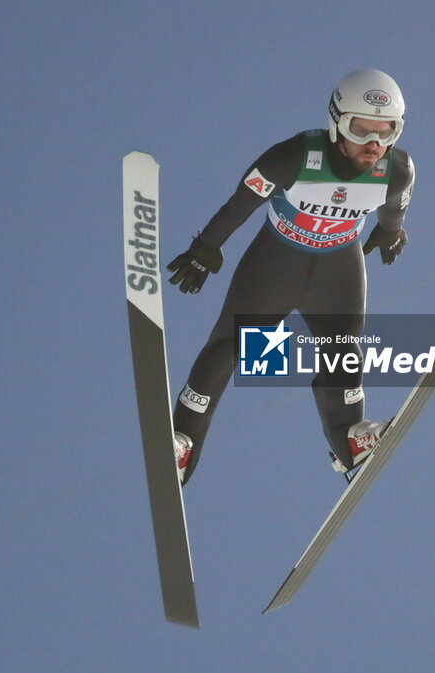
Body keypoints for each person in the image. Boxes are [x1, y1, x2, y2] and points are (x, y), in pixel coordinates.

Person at [166, 68, 415, 485]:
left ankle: (349, 440)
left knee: (343, 350)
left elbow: (395, 209)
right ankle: (182, 439)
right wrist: (205, 247)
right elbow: (238, 205)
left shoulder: (398, 169)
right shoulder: (293, 157)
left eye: (387, 132)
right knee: (232, 348)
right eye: (361, 129)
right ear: (337, 120)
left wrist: (390, 233)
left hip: (338, 270)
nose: (374, 144)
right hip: (277, 264)